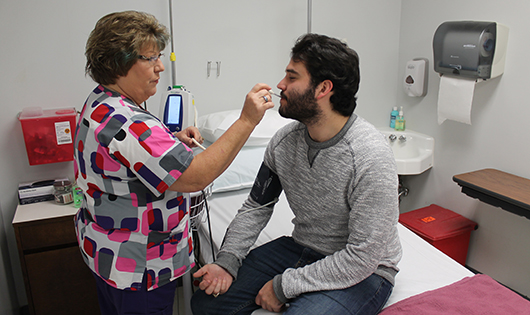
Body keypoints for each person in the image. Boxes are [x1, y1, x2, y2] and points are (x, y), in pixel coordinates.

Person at [74, 11, 274, 315]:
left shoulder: (99, 104)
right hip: (140, 271)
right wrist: (247, 120)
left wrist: (170, 140)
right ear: (119, 62)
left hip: (108, 256)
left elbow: (128, 153)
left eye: (160, 56)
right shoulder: (132, 124)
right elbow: (196, 177)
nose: (160, 66)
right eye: (150, 58)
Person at [190, 33, 402, 315]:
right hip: (301, 248)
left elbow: (363, 255)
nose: (280, 85)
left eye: (292, 77)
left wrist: (283, 286)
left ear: (323, 88)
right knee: (206, 304)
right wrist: (228, 260)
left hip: (365, 270)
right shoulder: (284, 142)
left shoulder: (370, 155)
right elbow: (257, 206)